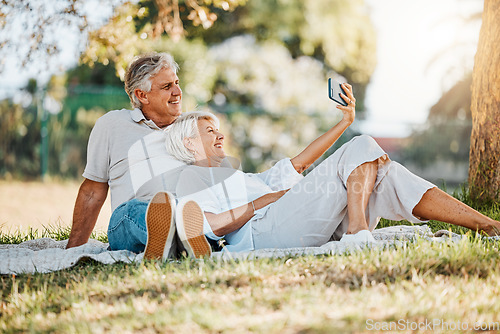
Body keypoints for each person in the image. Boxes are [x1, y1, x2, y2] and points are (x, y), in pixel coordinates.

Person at [164, 83, 500, 256]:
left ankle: (487, 225)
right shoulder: (191, 178)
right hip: (261, 234)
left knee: (385, 173)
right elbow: (205, 228)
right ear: (190, 143)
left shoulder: (243, 179)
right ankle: (357, 231)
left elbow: (301, 162)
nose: (220, 134)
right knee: (363, 146)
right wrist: (263, 202)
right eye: (210, 131)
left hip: (285, 217)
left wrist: (345, 122)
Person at [66, 52, 198, 261]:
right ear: (142, 95)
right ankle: (180, 241)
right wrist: (72, 251)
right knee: (133, 210)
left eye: (177, 83)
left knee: (192, 211)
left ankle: (179, 241)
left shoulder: (193, 127)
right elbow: (92, 190)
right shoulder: (113, 124)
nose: (177, 92)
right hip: (130, 221)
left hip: (185, 214)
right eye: (167, 87)